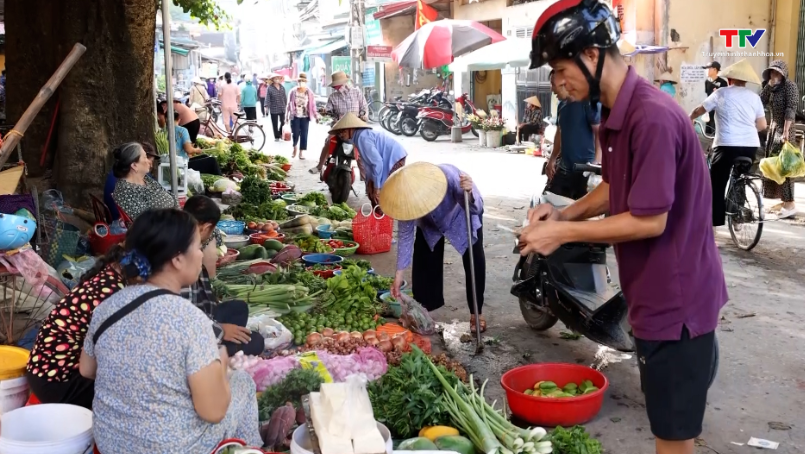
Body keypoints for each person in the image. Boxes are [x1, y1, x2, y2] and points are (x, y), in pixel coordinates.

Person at [522, 2, 726, 454]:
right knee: (668, 426)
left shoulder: (650, 117)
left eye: (559, 69)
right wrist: (562, 215)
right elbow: (616, 189)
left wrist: (562, 235)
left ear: (591, 56)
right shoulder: (617, 114)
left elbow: (649, 220)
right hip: (653, 299)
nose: (557, 84)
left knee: (673, 440)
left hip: (677, 306)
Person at [79, 209, 261, 453]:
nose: (201, 255)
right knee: (243, 383)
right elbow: (214, 412)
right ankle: (253, 449)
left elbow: (87, 368)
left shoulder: (108, 306)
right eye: (197, 247)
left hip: (111, 442)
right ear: (177, 259)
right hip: (173, 447)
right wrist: (222, 367)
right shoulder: (190, 321)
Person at [383, 163, 486, 332]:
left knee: (473, 258)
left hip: (461, 212)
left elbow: (476, 209)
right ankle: (424, 312)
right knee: (424, 258)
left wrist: (468, 194)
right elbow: (405, 236)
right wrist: (398, 276)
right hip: (430, 223)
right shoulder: (406, 200)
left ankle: (477, 313)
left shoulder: (449, 177)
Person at [26, 245, 129, 409]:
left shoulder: (108, 276)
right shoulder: (113, 293)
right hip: (58, 382)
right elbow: (94, 367)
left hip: (43, 372)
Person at [181, 195, 265, 356]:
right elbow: (186, 320)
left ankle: (225, 341)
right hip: (192, 340)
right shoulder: (184, 261)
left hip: (201, 320)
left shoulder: (183, 242)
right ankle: (221, 349)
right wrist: (220, 330)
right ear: (205, 228)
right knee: (256, 342)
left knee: (239, 308)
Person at [689, 59, 766, 228]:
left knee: (716, 183)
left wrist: (689, 119)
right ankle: (737, 214)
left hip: (726, 145)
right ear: (745, 80)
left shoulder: (721, 93)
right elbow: (762, 126)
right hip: (750, 146)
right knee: (740, 177)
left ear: (729, 79)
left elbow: (699, 110)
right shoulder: (754, 97)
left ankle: (714, 223)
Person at [544, 69, 602, 200]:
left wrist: (597, 162)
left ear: (565, 83)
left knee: (580, 211)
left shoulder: (587, 101)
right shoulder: (561, 105)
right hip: (565, 167)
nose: (552, 89)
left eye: (553, 84)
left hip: (584, 169)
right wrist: (552, 158)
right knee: (550, 200)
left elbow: (599, 131)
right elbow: (559, 132)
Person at [328, 113, 406, 207]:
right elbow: (369, 164)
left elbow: (377, 163)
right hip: (387, 158)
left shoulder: (362, 138)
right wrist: (369, 182)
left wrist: (377, 188)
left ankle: (387, 216)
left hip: (394, 158)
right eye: (338, 132)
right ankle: (380, 215)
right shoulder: (357, 138)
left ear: (351, 128)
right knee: (373, 193)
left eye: (343, 131)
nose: (340, 134)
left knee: (381, 197)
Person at [760, 59, 800, 219]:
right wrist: (769, 86)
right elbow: (760, 101)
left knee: (786, 167)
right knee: (775, 166)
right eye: (772, 72)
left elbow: (791, 109)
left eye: (777, 72)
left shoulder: (790, 87)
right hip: (773, 129)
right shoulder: (771, 88)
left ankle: (790, 203)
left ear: (783, 74)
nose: (774, 75)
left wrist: (785, 131)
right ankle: (784, 201)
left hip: (785, 130)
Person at [309, 71, 369, 174]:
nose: (335, 87)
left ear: (343, 83)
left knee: (361, 151)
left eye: (336, 85)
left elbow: (364, 107)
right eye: (334, 86)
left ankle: (365, 177)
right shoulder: (333, 97)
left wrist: (363, 116)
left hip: (355, 127)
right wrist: (324, 112)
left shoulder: (357, 92)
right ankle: (320, 166)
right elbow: (328, 111)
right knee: (329, 142)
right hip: (339, 127)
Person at [112, 142, 177, 220]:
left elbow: (171, 196)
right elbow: (147, 221)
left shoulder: (146, 179)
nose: (149, 161)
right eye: (145, 157)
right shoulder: (125, 190)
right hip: (160, 229)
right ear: (134, 166)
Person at [104, 143, 159, 221]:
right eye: (146, 158)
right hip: (124, 224)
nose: (151, 165)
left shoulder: (119, 173)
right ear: (135, 164)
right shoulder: (129, 181)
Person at [286, 73, 318, 160]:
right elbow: (289, 105)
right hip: (295, 115)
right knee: (295, 133)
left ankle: (301, 152)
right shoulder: (292, 92)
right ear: (297, 81)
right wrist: (286, 117)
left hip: (305, 116)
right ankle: (295, 147)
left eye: (303, 81)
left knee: (304, 134)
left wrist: (316, 115)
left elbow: (313, 105)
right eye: (300, 81)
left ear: (305, 82)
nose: (301, 82)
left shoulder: (309, 92)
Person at [703, 61, 728, 135]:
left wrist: (718, 93)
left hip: (718, 113)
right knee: (708, 134)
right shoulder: (706, 82)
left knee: (716, 133)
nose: (706, 71)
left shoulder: (723, 82)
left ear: (715, 70)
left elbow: (725, 98)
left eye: (708, 68)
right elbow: (708, 96)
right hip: (709, 111)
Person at [266, 74, 288, 141]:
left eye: (278, 78)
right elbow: (268, 98)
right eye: (275, 78)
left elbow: (284, 97)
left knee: (283, 122)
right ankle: (276, 136)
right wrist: (266, 106)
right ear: (272, 80)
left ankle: (280, 132)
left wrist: (287, 105)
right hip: (274, 108)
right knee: (274, 123)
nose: (277, 80)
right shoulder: (270, 88)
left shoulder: (282, 87)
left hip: (282, 107)